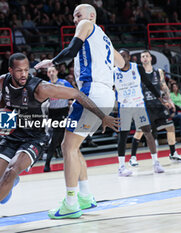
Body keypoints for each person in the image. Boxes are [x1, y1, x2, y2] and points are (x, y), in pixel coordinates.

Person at [0, 52, 119, 232]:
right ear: (10, 71)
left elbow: (77, 94)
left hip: (35, 137)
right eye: (19, 71)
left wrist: (102, 116)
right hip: (12, 134)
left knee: (11, 170)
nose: (24, 74)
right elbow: (4, 96)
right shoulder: (3, 81)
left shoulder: (41, 88)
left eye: (26, 70)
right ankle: (8, 184)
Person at [34, 4, 124, 220]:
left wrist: (52, 62)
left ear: (91, 16)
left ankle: (71, 203)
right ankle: (84, 195)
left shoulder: (87, 25)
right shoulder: (106, 40)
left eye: (78, 15)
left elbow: (72, 50)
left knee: (68, 147)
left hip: (91, 90)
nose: (75, 20)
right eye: (74, 16)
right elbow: (122, 64)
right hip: (105, 93)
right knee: (73, 146)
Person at [113, 49, 164, 175]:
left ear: (129, 57)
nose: (122, 58)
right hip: (124, 106)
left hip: (138, 105)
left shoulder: (137, 68)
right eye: (120, 56)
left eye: (124, 56)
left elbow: (148, 84)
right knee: (123, 136)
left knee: (147, 132)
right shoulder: (113, 72)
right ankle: (121, 167)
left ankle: (156, 163)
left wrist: (160, 98)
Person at [130, 50, 181, 163]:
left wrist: (169, 100)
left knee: (170, 127)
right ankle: (132, 157)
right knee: (140, 131)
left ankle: (173, 153)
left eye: (147, 56)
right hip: (145, 106)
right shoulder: (137, 72)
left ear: (151, 58)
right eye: (142, 56)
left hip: (158, 105)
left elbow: (164, 87)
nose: (145, 58)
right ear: (141, 60)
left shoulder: (158, 72)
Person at [43, 66, 73, 173]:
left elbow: (74, 93)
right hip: (52, 112)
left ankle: (47, 164)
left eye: (53, 71)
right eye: (49, 71)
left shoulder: (64, 83)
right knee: (57, 138)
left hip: (63, 111)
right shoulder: (45, 85)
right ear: (47, 74)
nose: (51, 73)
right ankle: (49, 161)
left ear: (57, 72)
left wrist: (71, 102)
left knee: (59, 138)